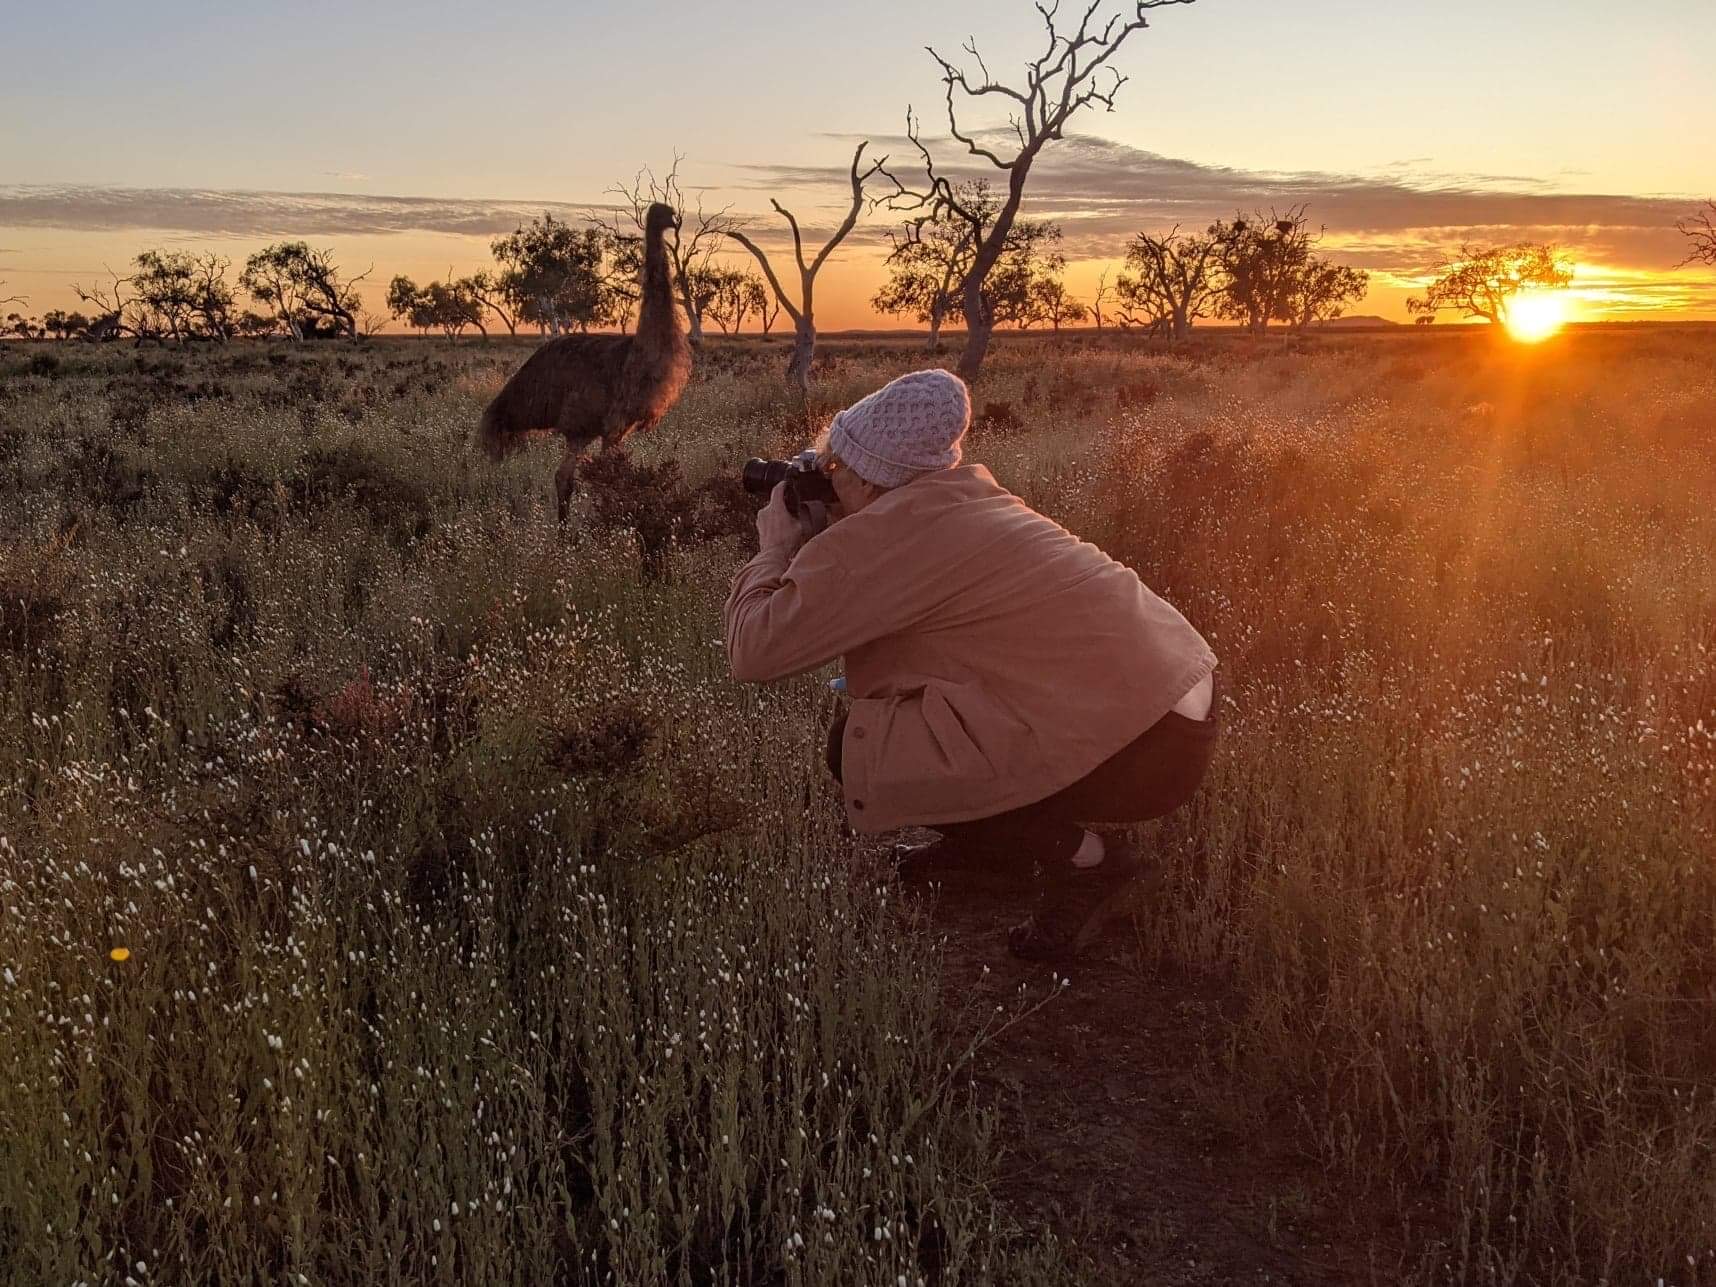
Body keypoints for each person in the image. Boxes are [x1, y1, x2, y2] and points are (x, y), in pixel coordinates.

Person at [723, 368, 1219, 960]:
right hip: (1182, 700)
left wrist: (776, 551)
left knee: (857, 749)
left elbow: (754, 651)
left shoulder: (887, 538)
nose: (826, 482)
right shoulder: (974, 498)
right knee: (918, 716)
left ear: (870, 476)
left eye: (833, 469)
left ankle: (1095, 863)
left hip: (1146, 749)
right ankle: (981, 850)